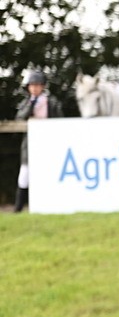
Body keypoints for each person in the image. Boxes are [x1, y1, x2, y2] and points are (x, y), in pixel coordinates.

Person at [14, 70, 62, 212]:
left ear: (43, 87)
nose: (34, 88)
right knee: (24, 176)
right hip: (29, 145)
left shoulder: (51, 102)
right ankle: (18, 209)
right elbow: (20, 118)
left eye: (37, 85)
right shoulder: (26, 102)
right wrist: (31, 105)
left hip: (48, 144)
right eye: (31, 85)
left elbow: (59, 121)